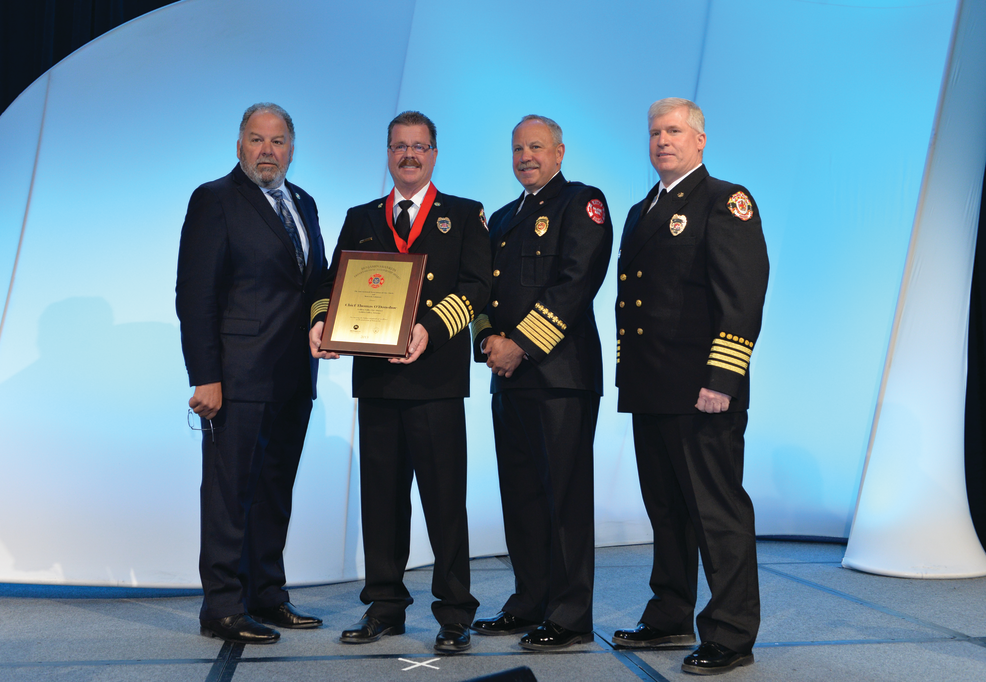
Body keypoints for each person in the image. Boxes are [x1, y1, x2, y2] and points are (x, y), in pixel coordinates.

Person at [309, 111, 490, 654]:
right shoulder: (360, 215)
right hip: (378, 383)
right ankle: (384, 607)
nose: (408, 155)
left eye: (419, 146)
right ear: (387, 154)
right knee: (382, 502)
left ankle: (455, 612)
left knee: (443, 501)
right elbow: (331, 283)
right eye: (399, 147)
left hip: (434, 380)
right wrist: (324, 322)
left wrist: (430, 330)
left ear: (434, 153)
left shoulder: (464, 215)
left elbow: (477, 288)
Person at [610, 97, 769, 675]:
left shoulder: (725, 200)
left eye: (674, 131)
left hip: (704, 390)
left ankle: (729, 633)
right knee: (667, 511)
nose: (662, 140)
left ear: (700, 140)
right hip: (652, 387)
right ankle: (670, 612)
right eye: (654, 132)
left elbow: (742, 296)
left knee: (716, 512)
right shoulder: (640, 209)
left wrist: (723, 378)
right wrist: (629, 377)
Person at [176, 102, 327, 645]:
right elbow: (194, 295)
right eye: (257, 139)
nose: (268, 150)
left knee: (273, 491)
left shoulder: (303, 202)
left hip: (294, 376)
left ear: (292, 147)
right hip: (236, 378)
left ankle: (267, 594)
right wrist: (206, 375)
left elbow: (318, 284)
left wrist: (331, 324)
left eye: (278, 141)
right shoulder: (214, 199)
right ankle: (221, 605)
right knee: (228, 493)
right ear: (239, 145)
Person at [470, 115, 612, 651]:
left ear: (559, 152)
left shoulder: (582, 203)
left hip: (559, 377)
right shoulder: (503, 217)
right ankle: (529, 600)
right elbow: (484, 294)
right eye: (517, 148)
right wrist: (486, 341)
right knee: (522, 497)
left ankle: (570, 616)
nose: (525, 156)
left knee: (565, 500)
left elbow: (578, 282)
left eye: (536, 147)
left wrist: (519, 345)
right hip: (508, 379)